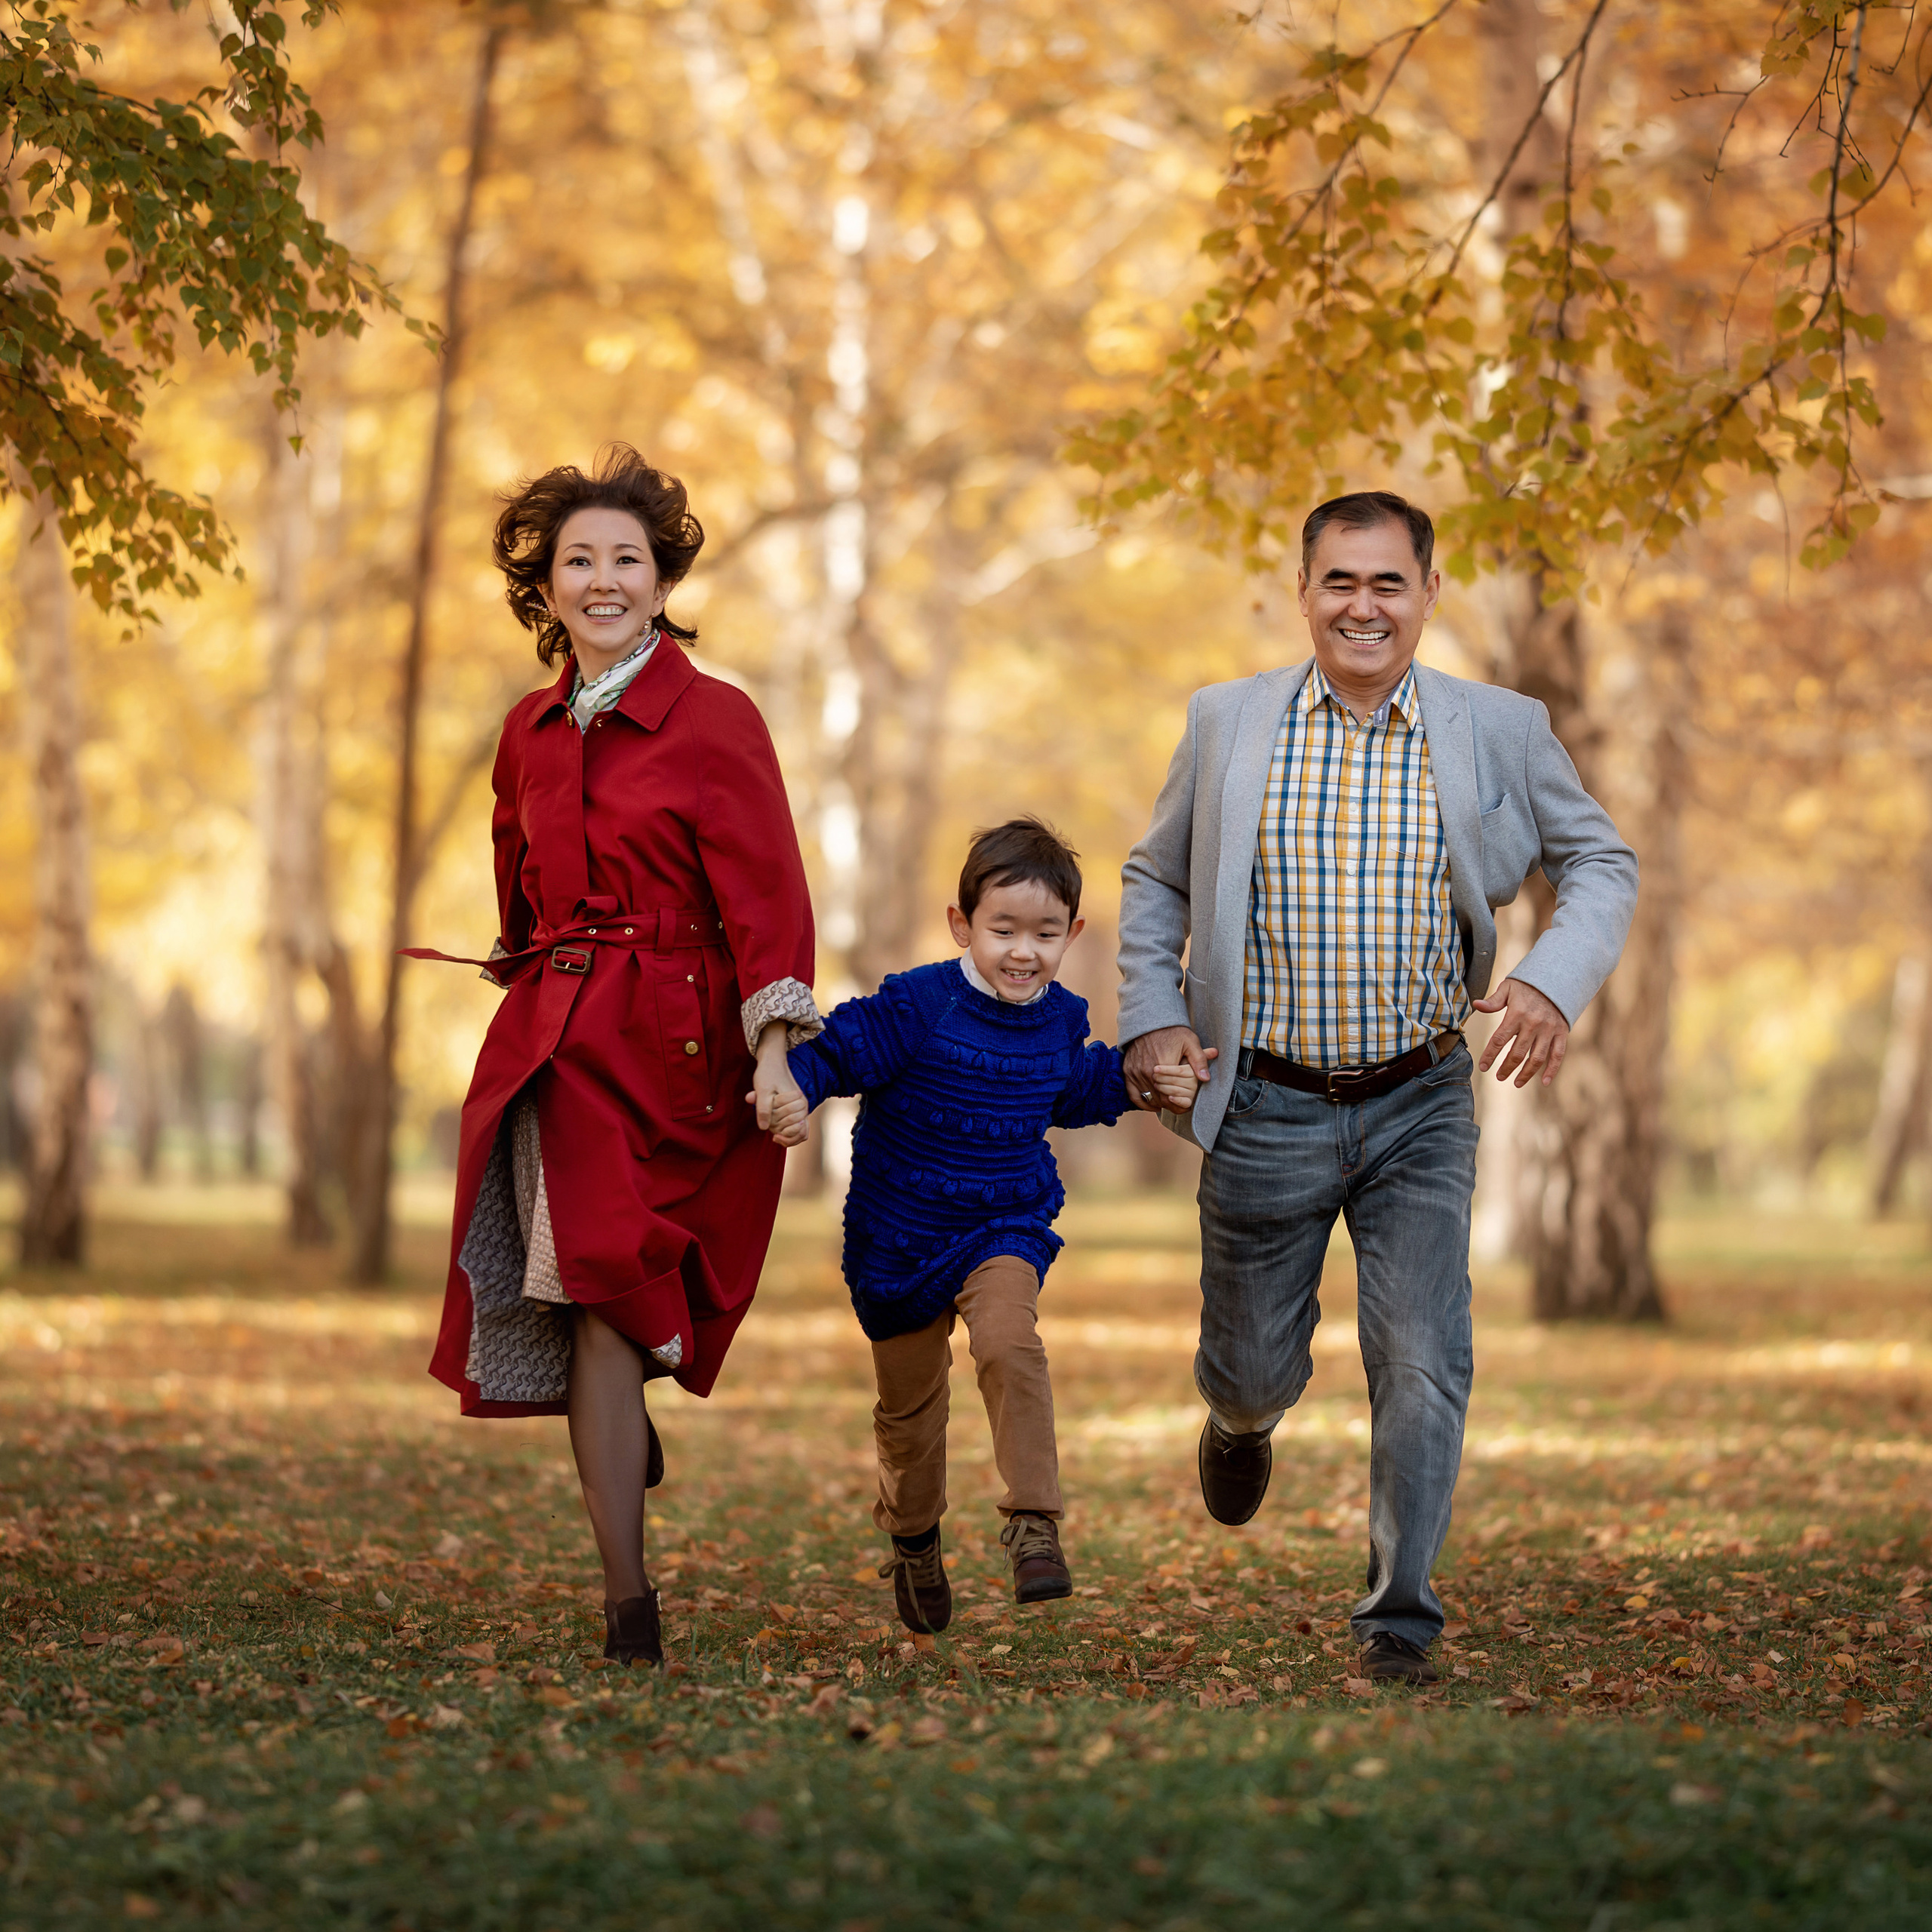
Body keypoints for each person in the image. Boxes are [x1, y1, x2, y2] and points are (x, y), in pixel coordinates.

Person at [1116, 491, 1638, 1684]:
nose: (1363, 605)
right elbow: (1154, 882)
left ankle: (1398, 1615)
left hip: (1420, 1101)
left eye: (1388, 583)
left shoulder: (1498, 728)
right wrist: (1152, 1018)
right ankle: (1242, 1422)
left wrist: (1552, 981)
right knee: (1249, 1366)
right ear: (1303, 592)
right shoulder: (1226, 723)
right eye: (1339, 582)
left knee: (1422, 1356)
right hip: (1261, 1106)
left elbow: (1600, 857)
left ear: (1429, 594)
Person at [415, 445, 817, 1669]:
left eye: (625, 560)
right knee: (593, 1285)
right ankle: (628, 1601)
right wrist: (520, 959)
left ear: (659, 578)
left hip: (684, 1044)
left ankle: (636, 1384)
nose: (602, 580)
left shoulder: (717, 718)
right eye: (577, 560)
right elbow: (518, 877)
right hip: (562, 1047)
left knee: (633, 1295)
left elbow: (767, 894)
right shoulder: (527, 730)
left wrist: (777, 1045)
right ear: (544, 587)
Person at [767, 819, 1201, 1632]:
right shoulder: (914, 1005)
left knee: (1009, 1341)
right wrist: (790, 1084)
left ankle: (1033, 1524)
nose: (1022, 952)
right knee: (909, 1413)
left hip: (1003, 1221)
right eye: (1002, 930)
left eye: (1044, 934)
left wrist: (1144, 1083)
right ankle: (913, 1535)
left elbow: (1073, 1087)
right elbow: (834, 1053)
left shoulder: (1059, 1017)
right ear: (961, 924)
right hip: (897, 1241)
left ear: (1072, 933)